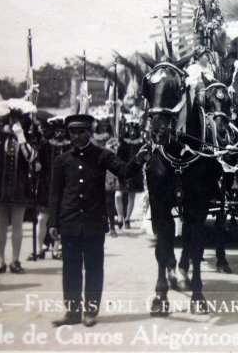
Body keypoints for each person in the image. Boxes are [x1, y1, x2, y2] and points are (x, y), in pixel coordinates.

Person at [48, 114, 149, 327]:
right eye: (73, 132)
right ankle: (72, 311)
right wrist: (53, 224)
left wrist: (138, 159)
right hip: (70, 222)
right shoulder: (62, 160)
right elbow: (55, 195)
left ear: (90, 133)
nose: (77, 136)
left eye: (82, 132)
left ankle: (90, 311)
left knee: (94, 267)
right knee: (71, 268)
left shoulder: (102, 156)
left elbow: (124, 171)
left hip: (94, 222)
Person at [0, 99, 37, 275]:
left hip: (19, 186)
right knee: (0, 225)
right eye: (12, 119)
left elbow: (31, 157)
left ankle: (15, 260)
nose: (14, 123)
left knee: (17, 224)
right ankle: (0, 261)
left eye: (18, 120)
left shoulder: (28, 138)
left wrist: (21, 137)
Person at [32, 115, 69, 259]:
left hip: (64, 187)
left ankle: (56, 249)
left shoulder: (70, 147)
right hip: (46, 186)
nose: (59, 134)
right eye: (57, 131)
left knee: (60, 218)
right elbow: (37, 163)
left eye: (62, 131)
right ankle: (39, 248)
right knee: (42, 218)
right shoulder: (45, 146)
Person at [116, 118, 145, 230]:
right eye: (131, 130)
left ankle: (127, 219)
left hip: (135, 172)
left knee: (131, 197)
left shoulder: (141, 142)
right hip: (123, 171)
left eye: (135, 130)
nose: (132, 133)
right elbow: (118, 157)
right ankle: (120, 217)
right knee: (118, 195)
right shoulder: (123, 142)